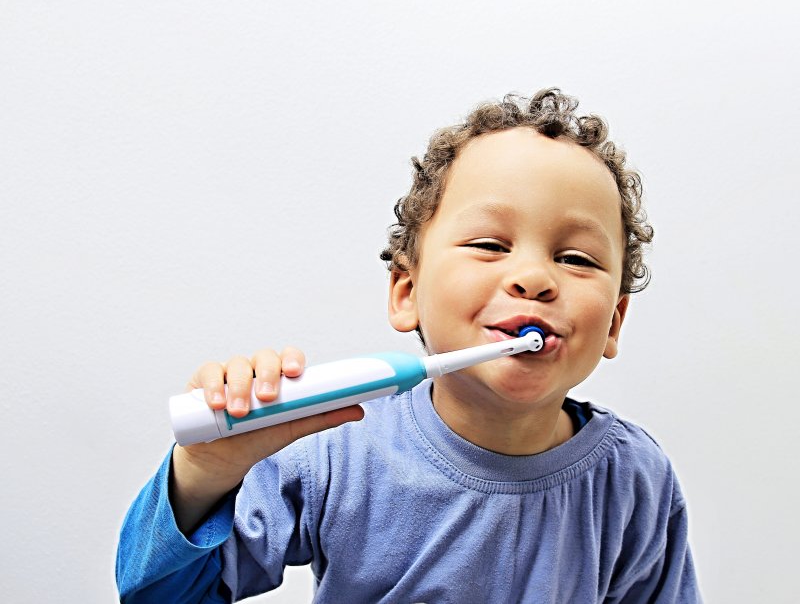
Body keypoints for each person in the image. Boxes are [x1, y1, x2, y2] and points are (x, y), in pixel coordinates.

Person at [116, 88, 702, 602]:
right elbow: (159, 596)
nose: (534, 278)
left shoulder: (635, 481)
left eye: (575, 258)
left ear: (615, 322)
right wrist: (203, 472)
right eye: (490, 244)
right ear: (407, 292)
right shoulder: (335, 449)